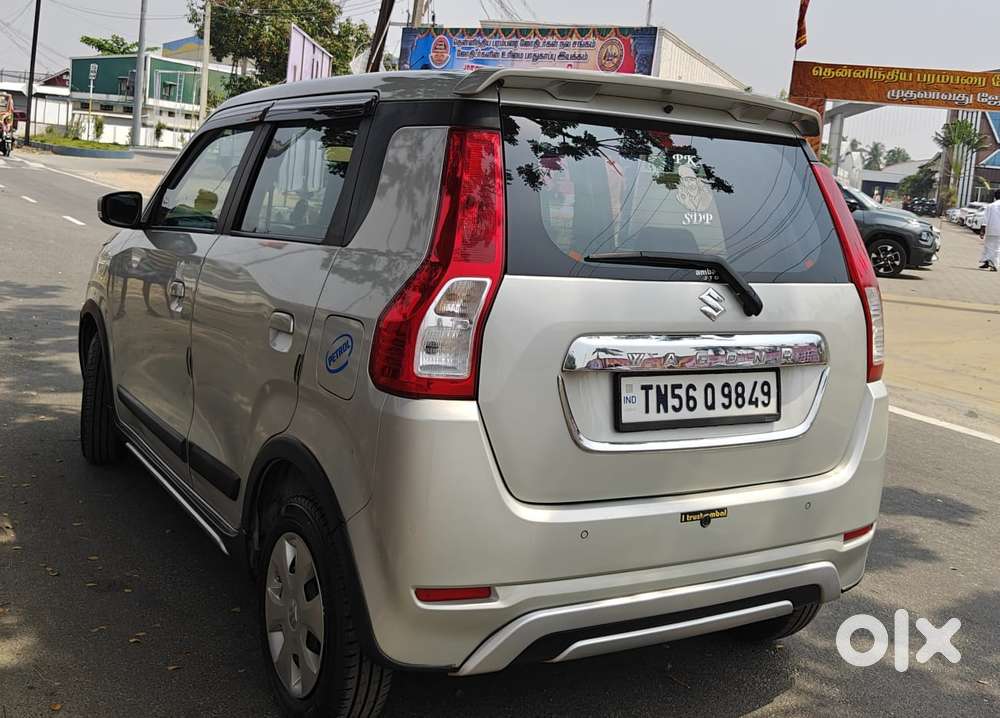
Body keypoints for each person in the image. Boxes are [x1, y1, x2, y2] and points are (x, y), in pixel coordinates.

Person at [980, 188, 1000, 271]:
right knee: (996, 247)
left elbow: (985, 219)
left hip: (991, 229)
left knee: (990, 247)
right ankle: (987, 262)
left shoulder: (991, 206)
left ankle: (994, 265)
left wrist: (982, 230)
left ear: (995, 196)